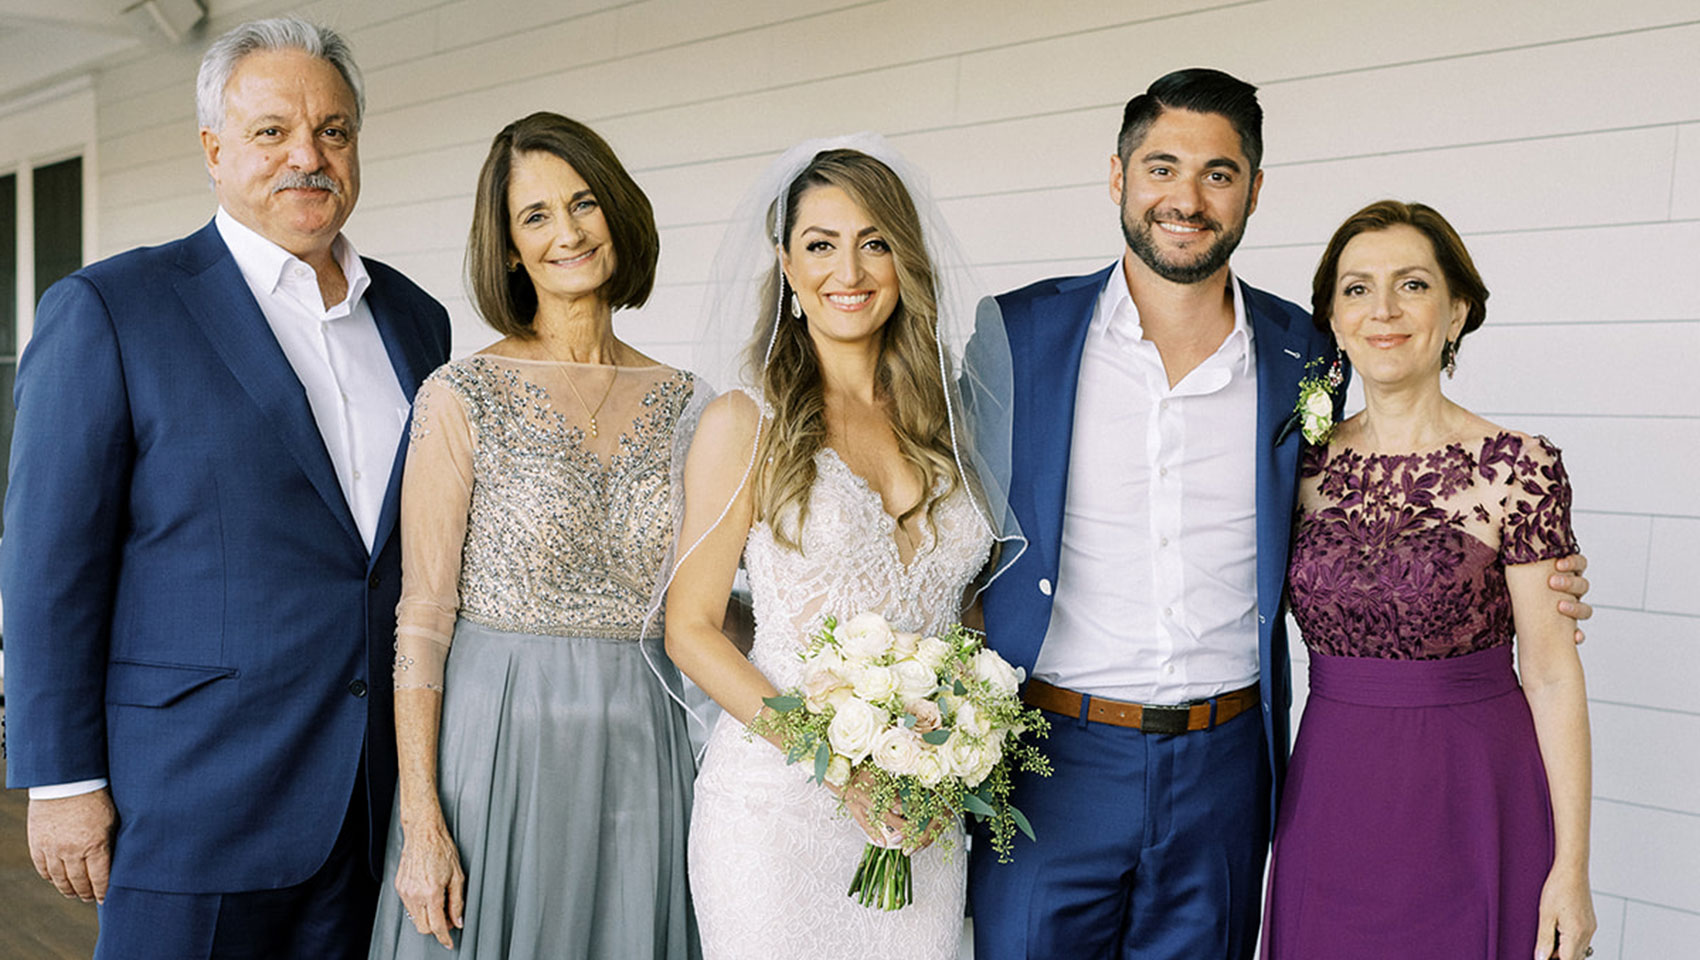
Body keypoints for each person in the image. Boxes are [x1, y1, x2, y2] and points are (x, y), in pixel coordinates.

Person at [965, 68, 1594, 959]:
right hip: (1053, 757)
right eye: (1161, 167)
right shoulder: (1019, 334)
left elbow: (1434, 530)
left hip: (1229, 769)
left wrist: (1536, 574)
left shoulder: (1300, 352)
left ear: (1254, 192)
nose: (1186, 197)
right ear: (1117, 177)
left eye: (1218, 173)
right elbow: (945, 518)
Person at [1, 17, 450, 960]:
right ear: (214, 150)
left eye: (333, 130)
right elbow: (48, 564)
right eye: (271, 131)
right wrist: (61, 779)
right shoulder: (112, 310)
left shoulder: (417, 321)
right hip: (188, 797)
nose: (308, 156)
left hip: (376, 806)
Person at [663, 140, 1020, 959]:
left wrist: (957, 734)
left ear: (905, 260)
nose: (848, 270)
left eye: (874, 242)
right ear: (787, 265)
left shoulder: (949, 423)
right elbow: (691, 628)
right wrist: (836, 764)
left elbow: (963, 609)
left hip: (917, 818)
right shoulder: (744, 424)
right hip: (774, 817)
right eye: (821, 244)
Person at [366, 112, 704, 959]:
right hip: (498, 747)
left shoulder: (689, 402)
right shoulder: (460, 394)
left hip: (644, 749)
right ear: (510, 249)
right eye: (537, 216)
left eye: (584, 204)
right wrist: (421, 821)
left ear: (618, 213)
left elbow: (708, 597)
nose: (568, 234)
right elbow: (420, 622)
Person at [1260, 200, 1595, 960]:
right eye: (1356, 289)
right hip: (1331, 797)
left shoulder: (1518, 466)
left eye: (1411, 285)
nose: (1382, 310)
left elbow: (1549, 672)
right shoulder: (1294, 463)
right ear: (1334, 320)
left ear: (1456, 312)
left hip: (1474, 797)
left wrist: (1571, 868)